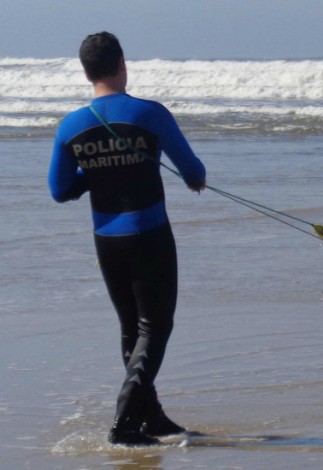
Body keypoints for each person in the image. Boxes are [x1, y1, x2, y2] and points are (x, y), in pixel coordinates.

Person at [48, 32, 206, 446]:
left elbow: (59, 189)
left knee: (131, 329)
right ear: (122, 63)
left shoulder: (71, 126)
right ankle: (123, 424)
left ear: (86, 72)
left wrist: (97, 173)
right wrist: (190, 180)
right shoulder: (149, 114)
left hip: (106, 239)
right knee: (156, 327)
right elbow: (193, 171)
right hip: (149, 233)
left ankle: (149, 417)